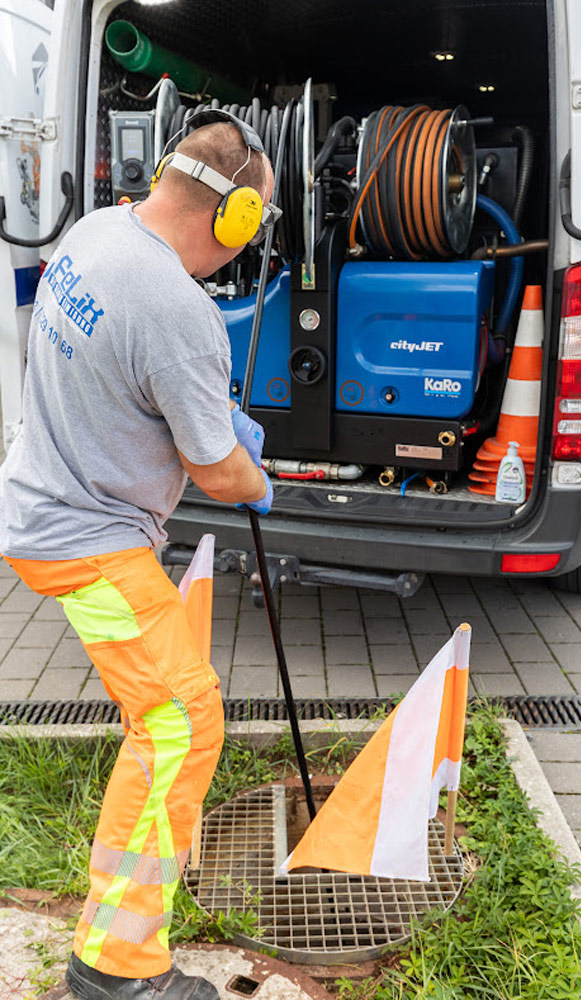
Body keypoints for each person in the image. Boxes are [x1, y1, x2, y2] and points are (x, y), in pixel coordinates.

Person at [0, 115, 278, 999]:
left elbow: (117, 374)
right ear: (233, 218)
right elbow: (219, 473)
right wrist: (252, 466)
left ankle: (115, 954)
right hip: (84, 541)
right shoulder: (181, 308)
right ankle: (115, 968)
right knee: (179, 723)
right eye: (256, 222)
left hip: (44, 500)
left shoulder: (95, 230)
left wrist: (198, 415)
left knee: (170, 709)